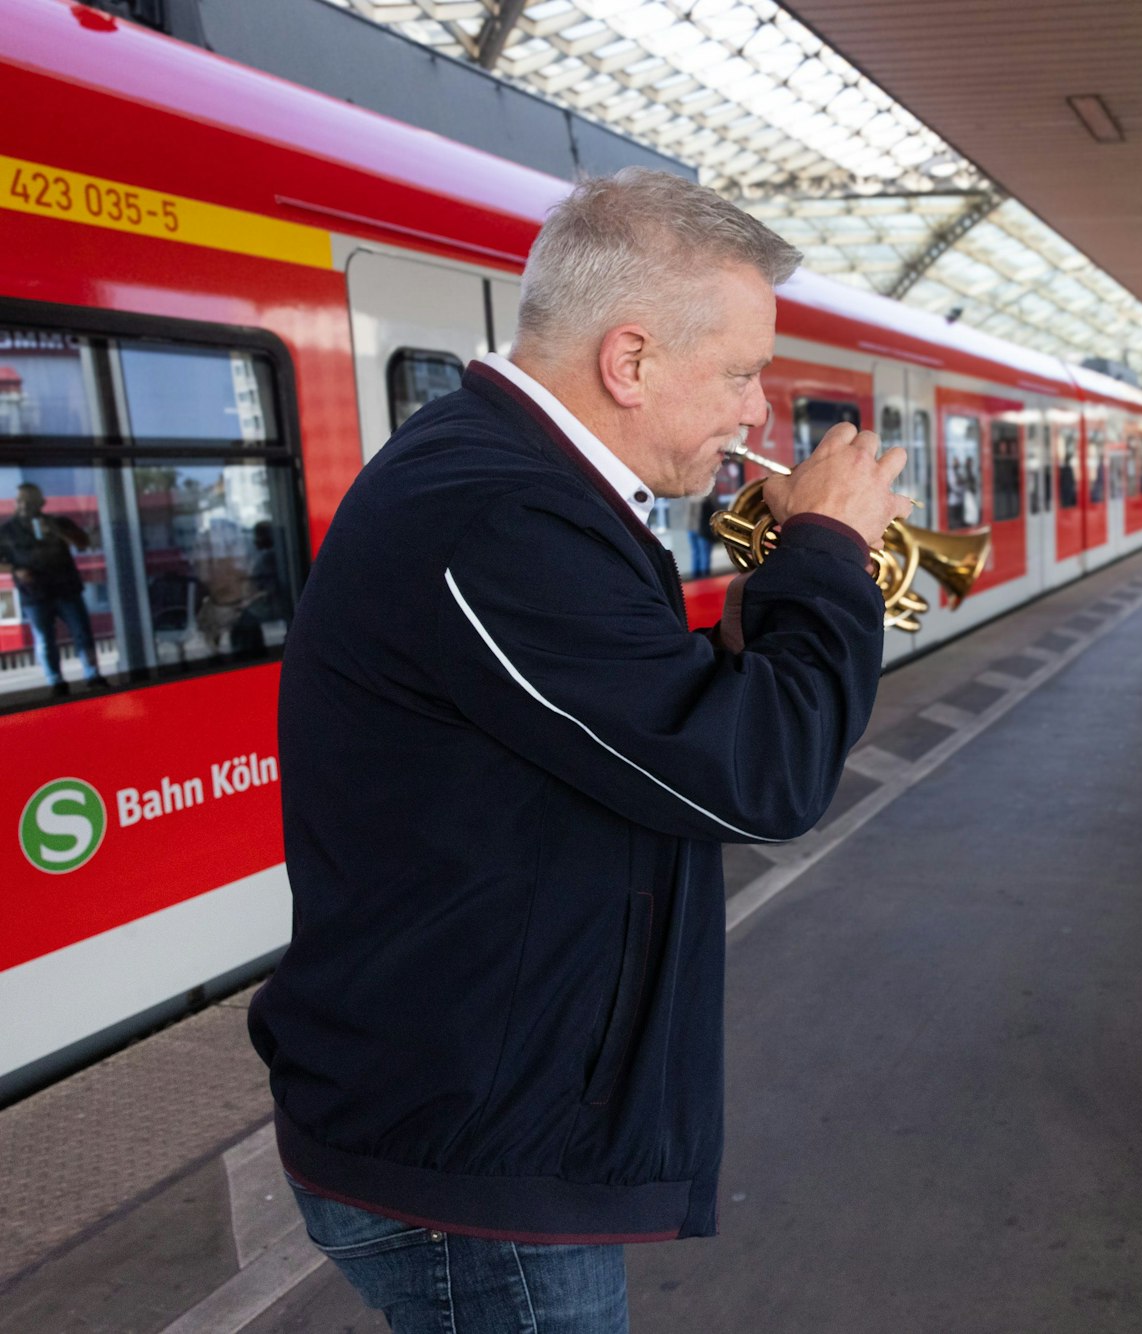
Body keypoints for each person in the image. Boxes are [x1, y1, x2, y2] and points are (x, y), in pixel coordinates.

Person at [248, 169, 911, 1333]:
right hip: (471, 1150)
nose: (757, 412)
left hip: (493, 1111)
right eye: (743, 370)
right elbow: (763, 778)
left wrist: (762, 613)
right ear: (630, 361)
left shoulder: (525, 491)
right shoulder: (500, 517)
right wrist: (819, 553)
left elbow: (630, 729)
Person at [0, 481, 106, 695]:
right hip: (35, 593)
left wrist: (58, 532)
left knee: (82, 634)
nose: (24, 505)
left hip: (66, 588)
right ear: (15, 503)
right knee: (44, 639)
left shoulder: (59, 522)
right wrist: (16, 570)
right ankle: (56, 681)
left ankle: (93, 676)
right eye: (21, 500)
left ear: (41, 503)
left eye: (30, 500)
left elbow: (84, 543)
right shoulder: (6, 531)